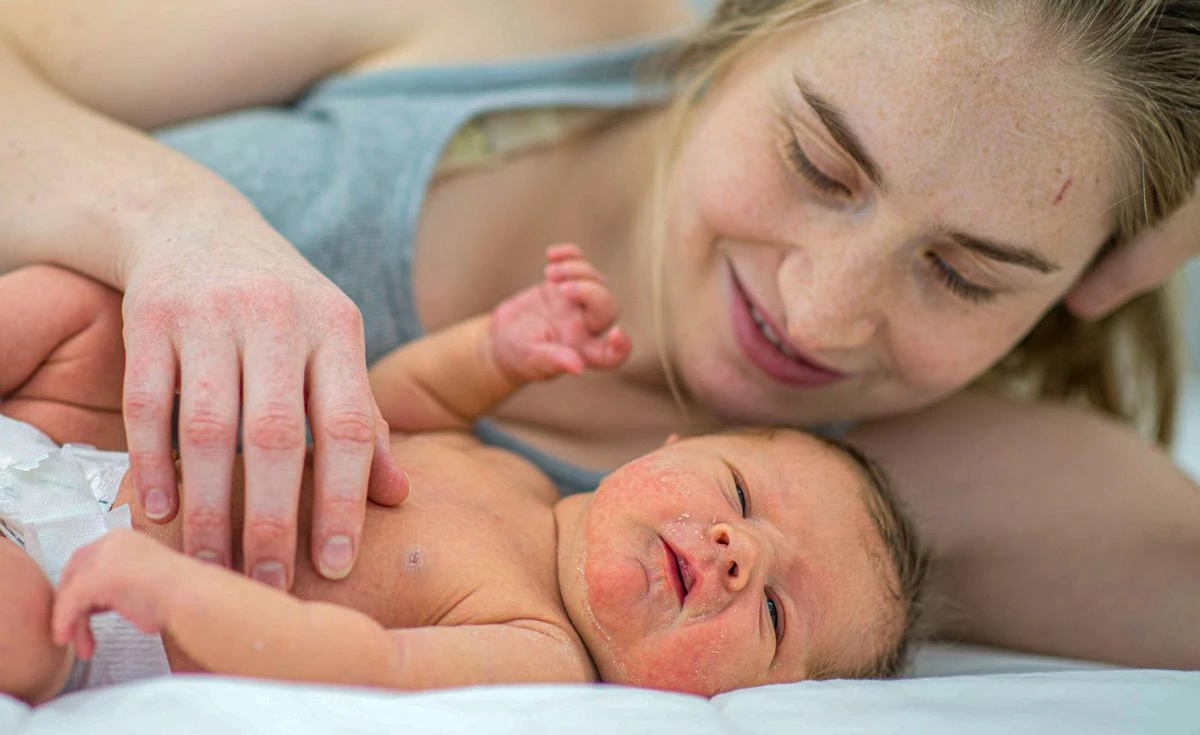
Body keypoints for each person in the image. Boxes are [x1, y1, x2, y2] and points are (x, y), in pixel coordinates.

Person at [0, 0, 1196, 668]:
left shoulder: (963, 481)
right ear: (737, 34)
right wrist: (173, 223)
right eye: (820, 165)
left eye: (967, 273)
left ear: (1092, 277)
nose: (821, 313)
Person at [0, 255, 924, 705]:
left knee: (23, 645)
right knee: (78, 310)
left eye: (772, 615)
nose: (739, 552)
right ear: (667, 446)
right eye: (740, 493)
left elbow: (367, 665)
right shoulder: (510, 469)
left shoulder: (541, 649)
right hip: (103, 462)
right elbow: (391, 407)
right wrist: (497, 352)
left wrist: (183, 593)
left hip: (85, 603)